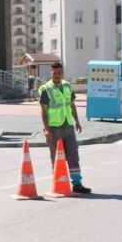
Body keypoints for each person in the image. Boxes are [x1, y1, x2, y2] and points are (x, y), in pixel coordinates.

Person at [39, 62, 91, 194]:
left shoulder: (67, 86)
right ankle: (58, 183)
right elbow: (43, 111)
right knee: (56, 157)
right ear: (51, 73)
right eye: (54, 72)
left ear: (62, 73)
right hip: (54, 128)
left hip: (68, 125)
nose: (57, 75)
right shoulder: (46, 89)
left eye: (59, 72)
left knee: (73, 155)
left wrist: (77, 122)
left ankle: (77, 183)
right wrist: (46, 129)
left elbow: (72, 105)